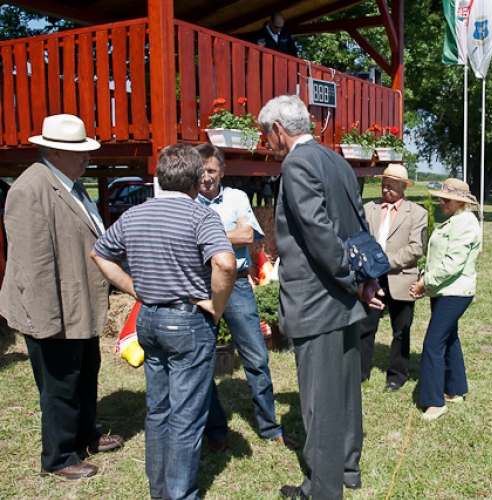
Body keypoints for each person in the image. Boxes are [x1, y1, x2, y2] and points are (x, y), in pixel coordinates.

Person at [91, 143, 236, 499]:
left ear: (160, 176)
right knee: (186, 416)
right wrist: (216, 307)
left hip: (150, 321)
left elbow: (100, 253)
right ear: (196, 178)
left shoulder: (135, 215)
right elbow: (226, 264)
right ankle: (180, 494)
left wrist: (135, 290)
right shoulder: (200, 216)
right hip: (187, 322)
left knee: (158, 411)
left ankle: (159, 491)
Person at [257, 95, 384, 500]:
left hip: (318, 300)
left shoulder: (296, 163)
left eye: (266, 134)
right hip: (344, 301)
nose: (266, 144)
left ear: (279, 129)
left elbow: (318, 233)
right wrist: (365, 280)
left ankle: (323, 490)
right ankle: (347, 468)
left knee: (319, 400)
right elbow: (359, 224)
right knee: (345, 392)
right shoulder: (336, 161)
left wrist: (350, 277)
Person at [0, 114, 122, 480]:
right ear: (53, 151)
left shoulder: (70, 184)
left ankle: (85, 435)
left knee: (84, 375)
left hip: (77, 305)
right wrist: (48, 323)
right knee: (60, 385)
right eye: (79, 152)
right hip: (53, 312)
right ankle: (58, 457)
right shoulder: (30, 190)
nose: (87, 158)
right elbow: (32, 265)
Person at [195, 143, 297, 452]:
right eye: (201, 171)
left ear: (222, 171)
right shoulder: (187, 200)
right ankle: (215, 430)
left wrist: (204, 235)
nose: (206, 177)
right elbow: (236, 235)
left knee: (256, 357)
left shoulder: (237, 197)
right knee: (201, 361)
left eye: (212, 171)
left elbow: (249, 236)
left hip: (237, 285)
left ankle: (269, 426)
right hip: (202, 285)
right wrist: (230, 233)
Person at [409, 178, 481, 421]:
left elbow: (452, 264)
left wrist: (425, 282)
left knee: (433, 343)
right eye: (440, 197)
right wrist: (425, 279)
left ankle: (434, 402)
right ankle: (454, 389)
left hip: (455, 292)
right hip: (445, 290)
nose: (440, 202)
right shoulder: (457, 220)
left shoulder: (465, 223)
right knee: (450, 339)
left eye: (445, 199)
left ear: (460, 202)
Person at [360, 163, 427, 391]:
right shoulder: (368, 208)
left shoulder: (417, 213)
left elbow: (416, 248)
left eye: (391, 185)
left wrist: (385, 262)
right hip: (371, 278)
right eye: (383, 184)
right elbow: (359, 238)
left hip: (401, 278)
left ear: (402, 186)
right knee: (365, 327)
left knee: (401, 330)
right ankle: (360, 372)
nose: (386, 188)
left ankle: (397, 376)